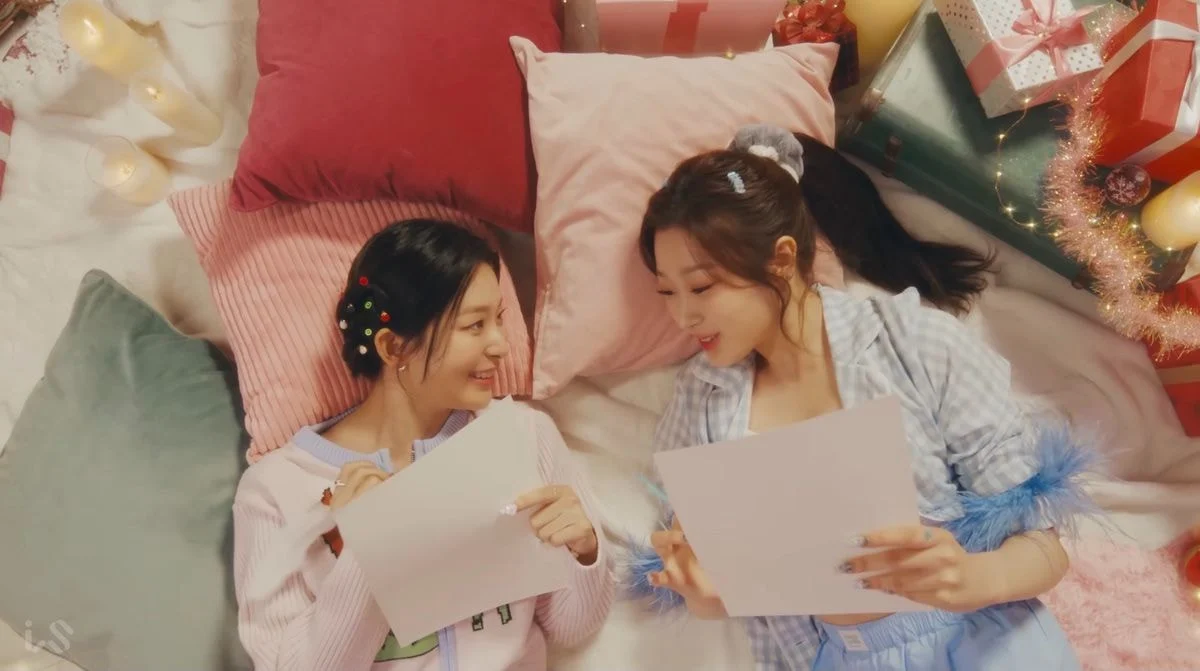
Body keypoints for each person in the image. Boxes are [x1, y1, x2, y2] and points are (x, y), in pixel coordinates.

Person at [631, 126, 1094, 670]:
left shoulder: (914, 343)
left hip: (981, 641)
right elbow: (698, 559)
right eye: (667, 293)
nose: (682, 316)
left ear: (781, 260)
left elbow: (1046, 547)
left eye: (701, 287)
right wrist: (707, 591)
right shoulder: (700, 403)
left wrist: (972, 577)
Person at [232, 219, 613, 670]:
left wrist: (585, 551)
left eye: (498, 320)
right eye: (474, 325)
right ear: (393, 348)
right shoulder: (276, 489)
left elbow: (572, 627)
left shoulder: (524, 436)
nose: (500, 345)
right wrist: (368, 553)